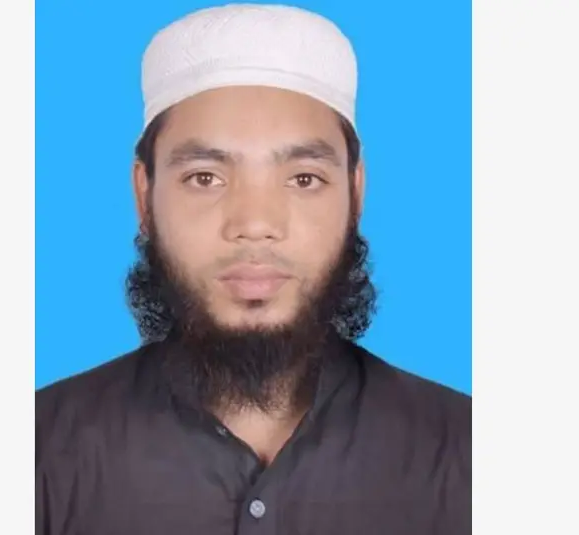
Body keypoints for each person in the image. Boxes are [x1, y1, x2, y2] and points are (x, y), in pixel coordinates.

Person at [36, 4, 470, 534]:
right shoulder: (40, 453)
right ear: (144, 196)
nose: (255, 224)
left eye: (304, 179)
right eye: (205, 178)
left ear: (355, 194)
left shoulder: (466, 453)